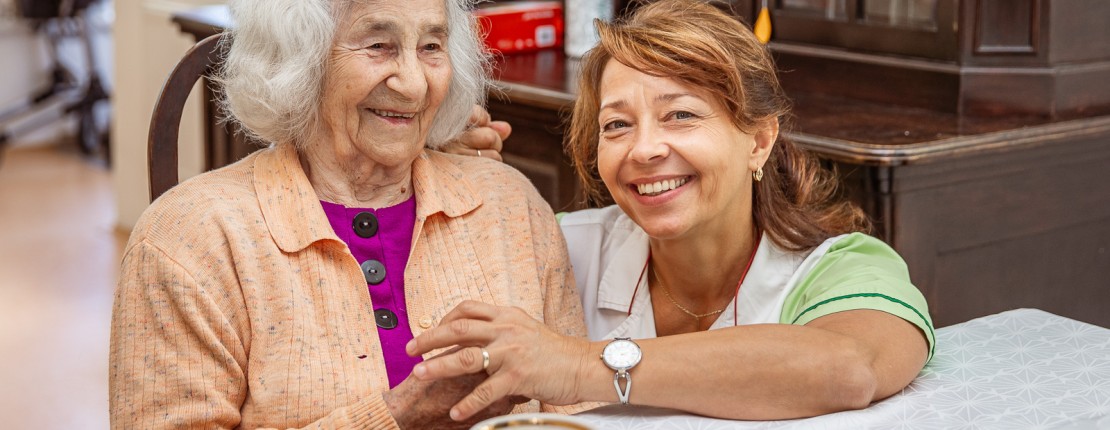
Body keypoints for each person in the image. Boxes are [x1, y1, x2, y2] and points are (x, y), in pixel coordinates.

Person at [407, 0, 934, 422]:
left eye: (680, 115)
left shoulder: (843, 266)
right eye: (617, 125)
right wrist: (454, 188)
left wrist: (574, 365)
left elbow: (849, 368)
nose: (644, 150)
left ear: (759, 140)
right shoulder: (557, 246)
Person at [108, 0, 585, 428]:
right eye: (379, 45)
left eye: (431, 46)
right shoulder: (190, 239)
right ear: (301, 58)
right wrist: (395, 416)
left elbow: (579, 411)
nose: (415, 83)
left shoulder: (509, 204)